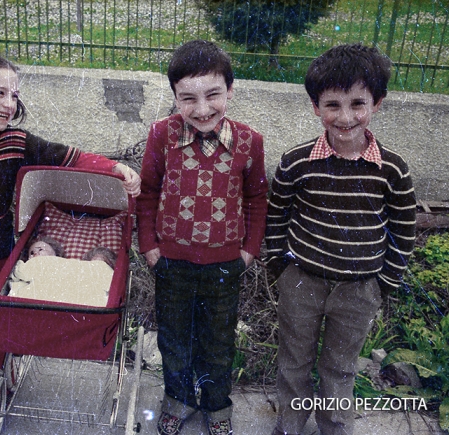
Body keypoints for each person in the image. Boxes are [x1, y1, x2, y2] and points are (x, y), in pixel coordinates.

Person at [0, 52, 141, 405]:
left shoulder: (16, 142)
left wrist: (115, 168)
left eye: (14, 95)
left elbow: (70, 157)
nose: (9, 103)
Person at [264, 43, 417, 435]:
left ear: (377, 104)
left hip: (359, 289)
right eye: (332, 105)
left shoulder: (393, 170)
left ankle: (334, 426)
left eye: (357, 104)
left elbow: (403, 228)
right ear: (316, 107)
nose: (345, 117)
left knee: (340, 366)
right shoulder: (297, 162)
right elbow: (276, 214)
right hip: (301, 281)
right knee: (294, 361)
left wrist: (386, 281)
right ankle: (290, 425)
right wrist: (278, 266)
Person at [136, 40, 269, 435]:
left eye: (213, 95)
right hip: (171, 263)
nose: (203, 109)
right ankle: (177, 399)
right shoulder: (161, 135)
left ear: (230, 90)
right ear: (175, 97)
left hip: (225, 265)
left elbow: (257, 197)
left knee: (218, 342)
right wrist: (150, 247)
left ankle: (217, 405)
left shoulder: (249, 141)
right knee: (174, 341)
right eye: (188, 98)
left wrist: (248, 251)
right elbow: (146, 191)